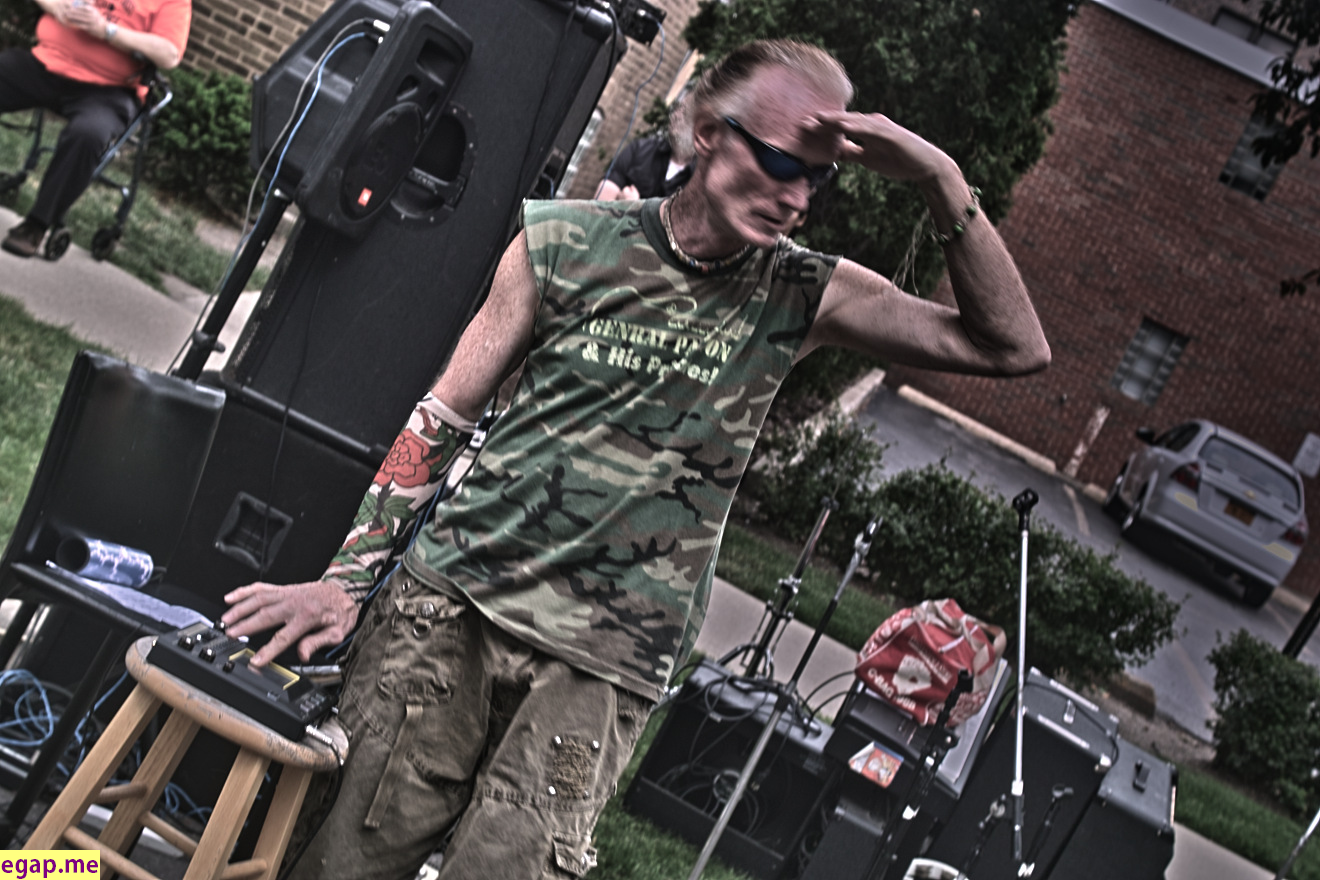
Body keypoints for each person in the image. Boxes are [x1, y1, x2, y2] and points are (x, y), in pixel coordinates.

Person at [222, 39, 1050, 880]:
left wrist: (942, 180)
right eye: (778, 162)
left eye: (817, 179)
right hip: (448, 616)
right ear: (707, 133)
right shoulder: (566, 241)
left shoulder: (802, 294)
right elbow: (443, 417)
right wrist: (345, 582)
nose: (797, 197)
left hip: (601, 670)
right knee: (337, 867)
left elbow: (1012, 346)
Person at [0, 0, 190, 258]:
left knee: (88, 134)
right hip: (47, 63)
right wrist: (57, 7)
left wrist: (107, 31)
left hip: (109, 89)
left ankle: (36, 225)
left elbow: (169, 53)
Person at [594, 86, 694, 200]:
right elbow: (601, 198)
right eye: (678, 107)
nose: (676, 115)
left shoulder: (701, 179)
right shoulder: (640, 148)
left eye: (686, 113)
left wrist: (632, 206)